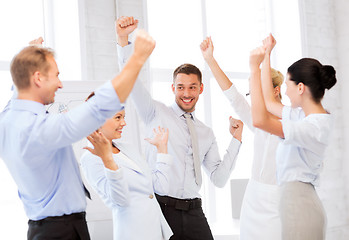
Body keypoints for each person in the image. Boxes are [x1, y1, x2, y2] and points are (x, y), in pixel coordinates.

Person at [0, 30, 155, 240]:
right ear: (37, 78)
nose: (60, 84)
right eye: (56, 75)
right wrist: (137, 58)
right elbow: (99, 107)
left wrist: (28, 54)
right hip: (61, 232)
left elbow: (18, 89)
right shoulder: (38, 129)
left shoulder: (8, 117)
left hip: (45, 230)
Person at [116, 16, 244, 239]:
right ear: (172, 88)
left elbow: (219, 179)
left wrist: (236, 139)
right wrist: (123, 39)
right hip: (162, 210)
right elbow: (131, 81)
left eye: (192, 87)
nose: (186, 94)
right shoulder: (154, 112)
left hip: (195, 211)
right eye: (181, 87)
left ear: (201, 89)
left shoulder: (206, 132)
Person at [249, 34, 337, 240]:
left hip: (300, 205)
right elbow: (269, 102)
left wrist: (254, 69)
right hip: (294, 201)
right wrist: (267, 54)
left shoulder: (315, 126)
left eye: (288, 86)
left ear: (300, 87)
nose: (286, 92)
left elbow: (260, 120)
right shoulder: (302, 116)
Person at [200, 36, 283, 239]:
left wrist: (267, 55)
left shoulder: (292, 121)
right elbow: (233, 96)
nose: (252, 98)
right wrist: (210, 60)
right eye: (251, 92)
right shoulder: (257, 119)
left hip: (278, 201)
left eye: (257, 90)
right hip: (253, 198)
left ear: (276, 90)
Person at [80, 98, 173, 239]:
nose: (124, 123)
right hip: (133, 234)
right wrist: (108, 159)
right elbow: (119, 200)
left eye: (123, 117)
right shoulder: (91, 158)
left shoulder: (127, 148)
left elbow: (161, 187)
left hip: (156, 231)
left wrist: (162, 149)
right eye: (118, 117)